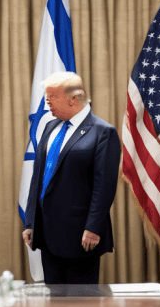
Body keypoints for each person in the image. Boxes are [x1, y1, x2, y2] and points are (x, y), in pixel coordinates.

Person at [22, 72, 120, 284]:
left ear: (73, 98)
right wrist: (31, 221)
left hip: (81, 235)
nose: (47, 104)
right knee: (54, 298)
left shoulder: (103, 132)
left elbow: (104, 187)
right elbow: (38, 178)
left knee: (80, 300)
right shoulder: (50, 127)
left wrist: (93, 228)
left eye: (52, 98)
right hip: (47, 233)